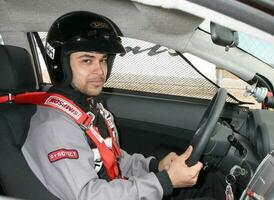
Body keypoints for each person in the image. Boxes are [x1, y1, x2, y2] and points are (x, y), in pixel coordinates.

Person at [21, 11, 220, 200]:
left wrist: (154, 167)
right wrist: (164, 182)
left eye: (103, 60)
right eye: (87, 60)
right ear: (61, 64)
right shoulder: (55, 127)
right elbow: (89, 196)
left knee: (210, 184)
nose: (99, 70)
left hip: (116, 190)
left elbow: (113, 159)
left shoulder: (89, 109)